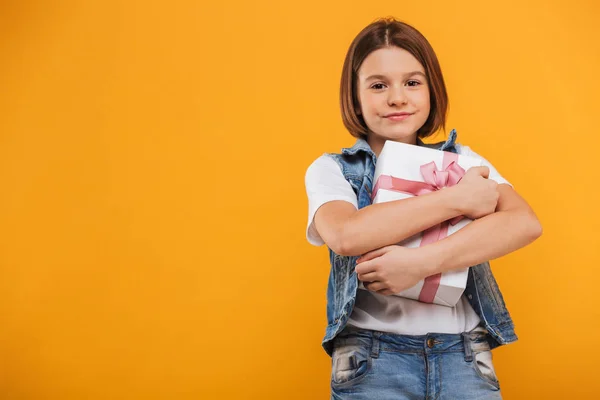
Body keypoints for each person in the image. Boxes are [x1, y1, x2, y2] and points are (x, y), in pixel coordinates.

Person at [304, 17, 542, 399]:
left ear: (432, 90)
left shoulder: (463, 159)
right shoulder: (335, 169)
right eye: (378, 85)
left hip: (464, 357)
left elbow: (523, 223)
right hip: (372, 362)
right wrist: (455, 199)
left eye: (412, 83)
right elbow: (346, 234)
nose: (397, 98)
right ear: (355, 96)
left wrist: (419, 264)